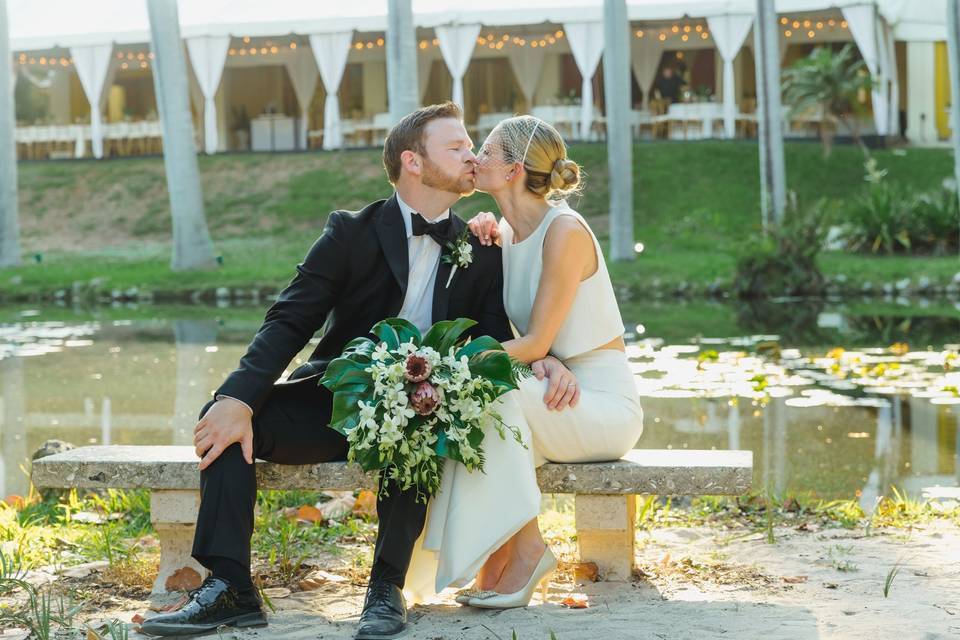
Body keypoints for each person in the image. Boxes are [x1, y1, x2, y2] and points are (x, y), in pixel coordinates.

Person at [140, 102, 575, 640]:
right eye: (457, 147)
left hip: (422, 406)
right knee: (224, 419)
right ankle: (231, 588)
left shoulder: (479, 248)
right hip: (334, 402)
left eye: (471, 146)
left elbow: (489, 343)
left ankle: (385, 589)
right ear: (413, 162)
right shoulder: (349, 232)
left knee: (423, 422)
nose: (472, 155)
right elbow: (290, 319)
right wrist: (239, 398)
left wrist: (544, 357)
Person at [403, 115, 644, 608]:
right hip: (555, 388)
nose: (475, 158)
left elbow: (534, 341)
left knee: (486, 392)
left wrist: (446, 361)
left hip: (601, 403)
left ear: (512, 169)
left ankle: (527, 550)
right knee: (486, 398)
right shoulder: (503, 235)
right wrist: (545, 359)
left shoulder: (565, 232)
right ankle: (501, 552)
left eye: (485, 151)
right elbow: (530, 340)